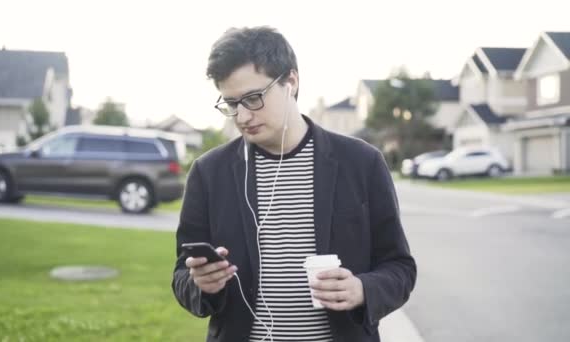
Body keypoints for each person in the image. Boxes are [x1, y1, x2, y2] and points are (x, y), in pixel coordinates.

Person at [172, 26, 416, 342]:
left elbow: (399, 268)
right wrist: (201, 285)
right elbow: (182, 277)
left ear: (291, 82)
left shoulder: (362, 162)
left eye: (253, 98)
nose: (243, 116)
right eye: (232, 104)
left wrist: (363, 290)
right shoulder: (209, 172)